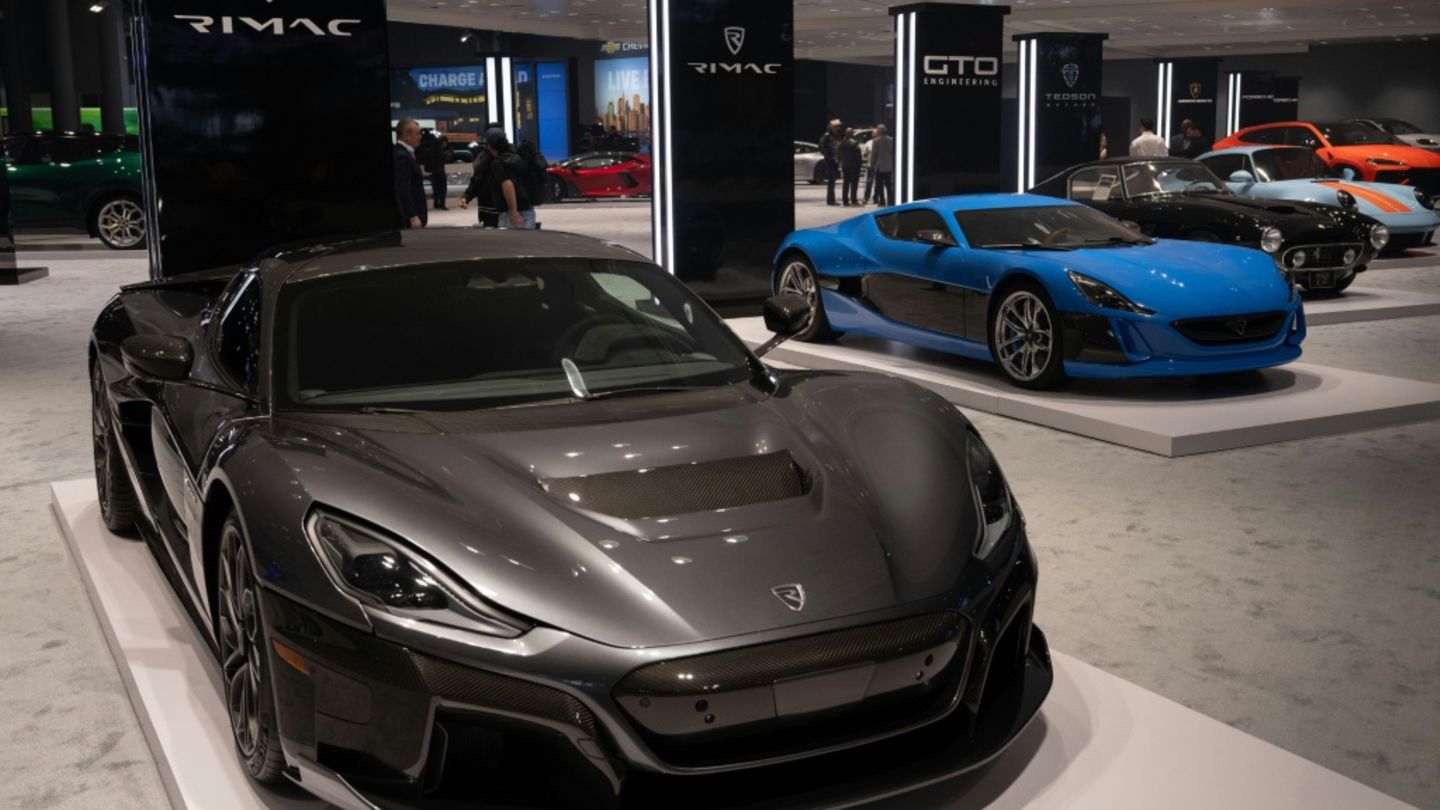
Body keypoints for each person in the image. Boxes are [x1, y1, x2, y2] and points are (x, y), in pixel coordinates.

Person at [481, 128, 537, 229]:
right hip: (527, 210)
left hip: (511, 214)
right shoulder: (517, 156)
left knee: (509, 239)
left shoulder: (497, 163)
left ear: (490, 146)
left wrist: (513, 211)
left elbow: (508, 185)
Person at [459, 121, 504, 227]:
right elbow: (476, 180)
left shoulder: (509, 157)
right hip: (487, 210)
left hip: (505, 211)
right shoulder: (483, 158)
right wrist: (466, 196)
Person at [393, 118, 427, 229]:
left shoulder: (405, 153)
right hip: (410, 218)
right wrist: (413, 216)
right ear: (406, 135)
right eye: (417, 134)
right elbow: (403, 189)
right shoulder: (402, 156)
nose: (420, 137)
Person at [417, 129, 450, 210]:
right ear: (443, 142)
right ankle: (442, 204)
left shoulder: (432, 149)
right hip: (440, 172)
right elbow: (443, 161)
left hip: (433, 172)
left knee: (435, 189)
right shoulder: (440, 151)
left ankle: (436, 204)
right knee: (443, 188)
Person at [819, 119, 844, 206]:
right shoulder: (827, 135)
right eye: (837, 126)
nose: (839, 128)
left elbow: (836, 147)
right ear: (833, 127)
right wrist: (828, 156)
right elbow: (821, 146)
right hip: (830, 161)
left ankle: (831, 200)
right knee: (831, 181)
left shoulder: (834, 136)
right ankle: (830, 200)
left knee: (832, 181)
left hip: (834, 161)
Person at [869, 124, 894, 207]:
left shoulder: (876, 141)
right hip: (889, 166)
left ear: (879, 131)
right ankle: (890, 201)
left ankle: (882, 201)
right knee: (889, 185)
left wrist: (872, 165)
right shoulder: (891, 140)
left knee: (879, 185)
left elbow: (874, 155)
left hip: (879, 167)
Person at [839, 127, 863, 207]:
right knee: (854, 184)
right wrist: (859, 164)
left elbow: (839, 153)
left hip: (845, 165)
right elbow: (858, 155)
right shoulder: (855, 143)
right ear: (852, 134)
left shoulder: (842, 142)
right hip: (854, 166)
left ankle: (845, 201)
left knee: (846, 184)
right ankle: (854, 200)